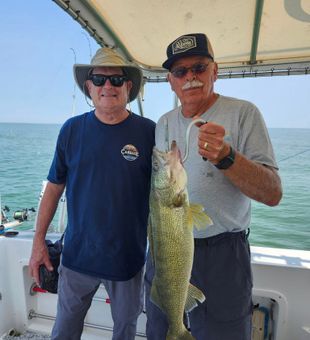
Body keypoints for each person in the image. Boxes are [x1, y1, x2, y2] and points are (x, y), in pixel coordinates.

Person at [145, 33, 282, 340]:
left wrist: (227, 157)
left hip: (223, 254)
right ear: (170, 81)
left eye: (199, 67)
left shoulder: (244, 114)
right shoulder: (164, 123)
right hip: (166, 249)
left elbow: (273, 193)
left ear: (215, 71)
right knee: (161, 329)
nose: (190, 77)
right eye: (180, 72)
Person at [29, 47, 155, 340]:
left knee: (125, 330)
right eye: (98, 80)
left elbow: (170, 191)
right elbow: (53, 187)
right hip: (77, 257)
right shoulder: (71, 130)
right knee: (64, 331)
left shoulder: (149, 132)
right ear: (88, 86)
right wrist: (38, 242)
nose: (107, 86)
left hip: (128, 260)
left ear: (129, 86)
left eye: (115, 79)